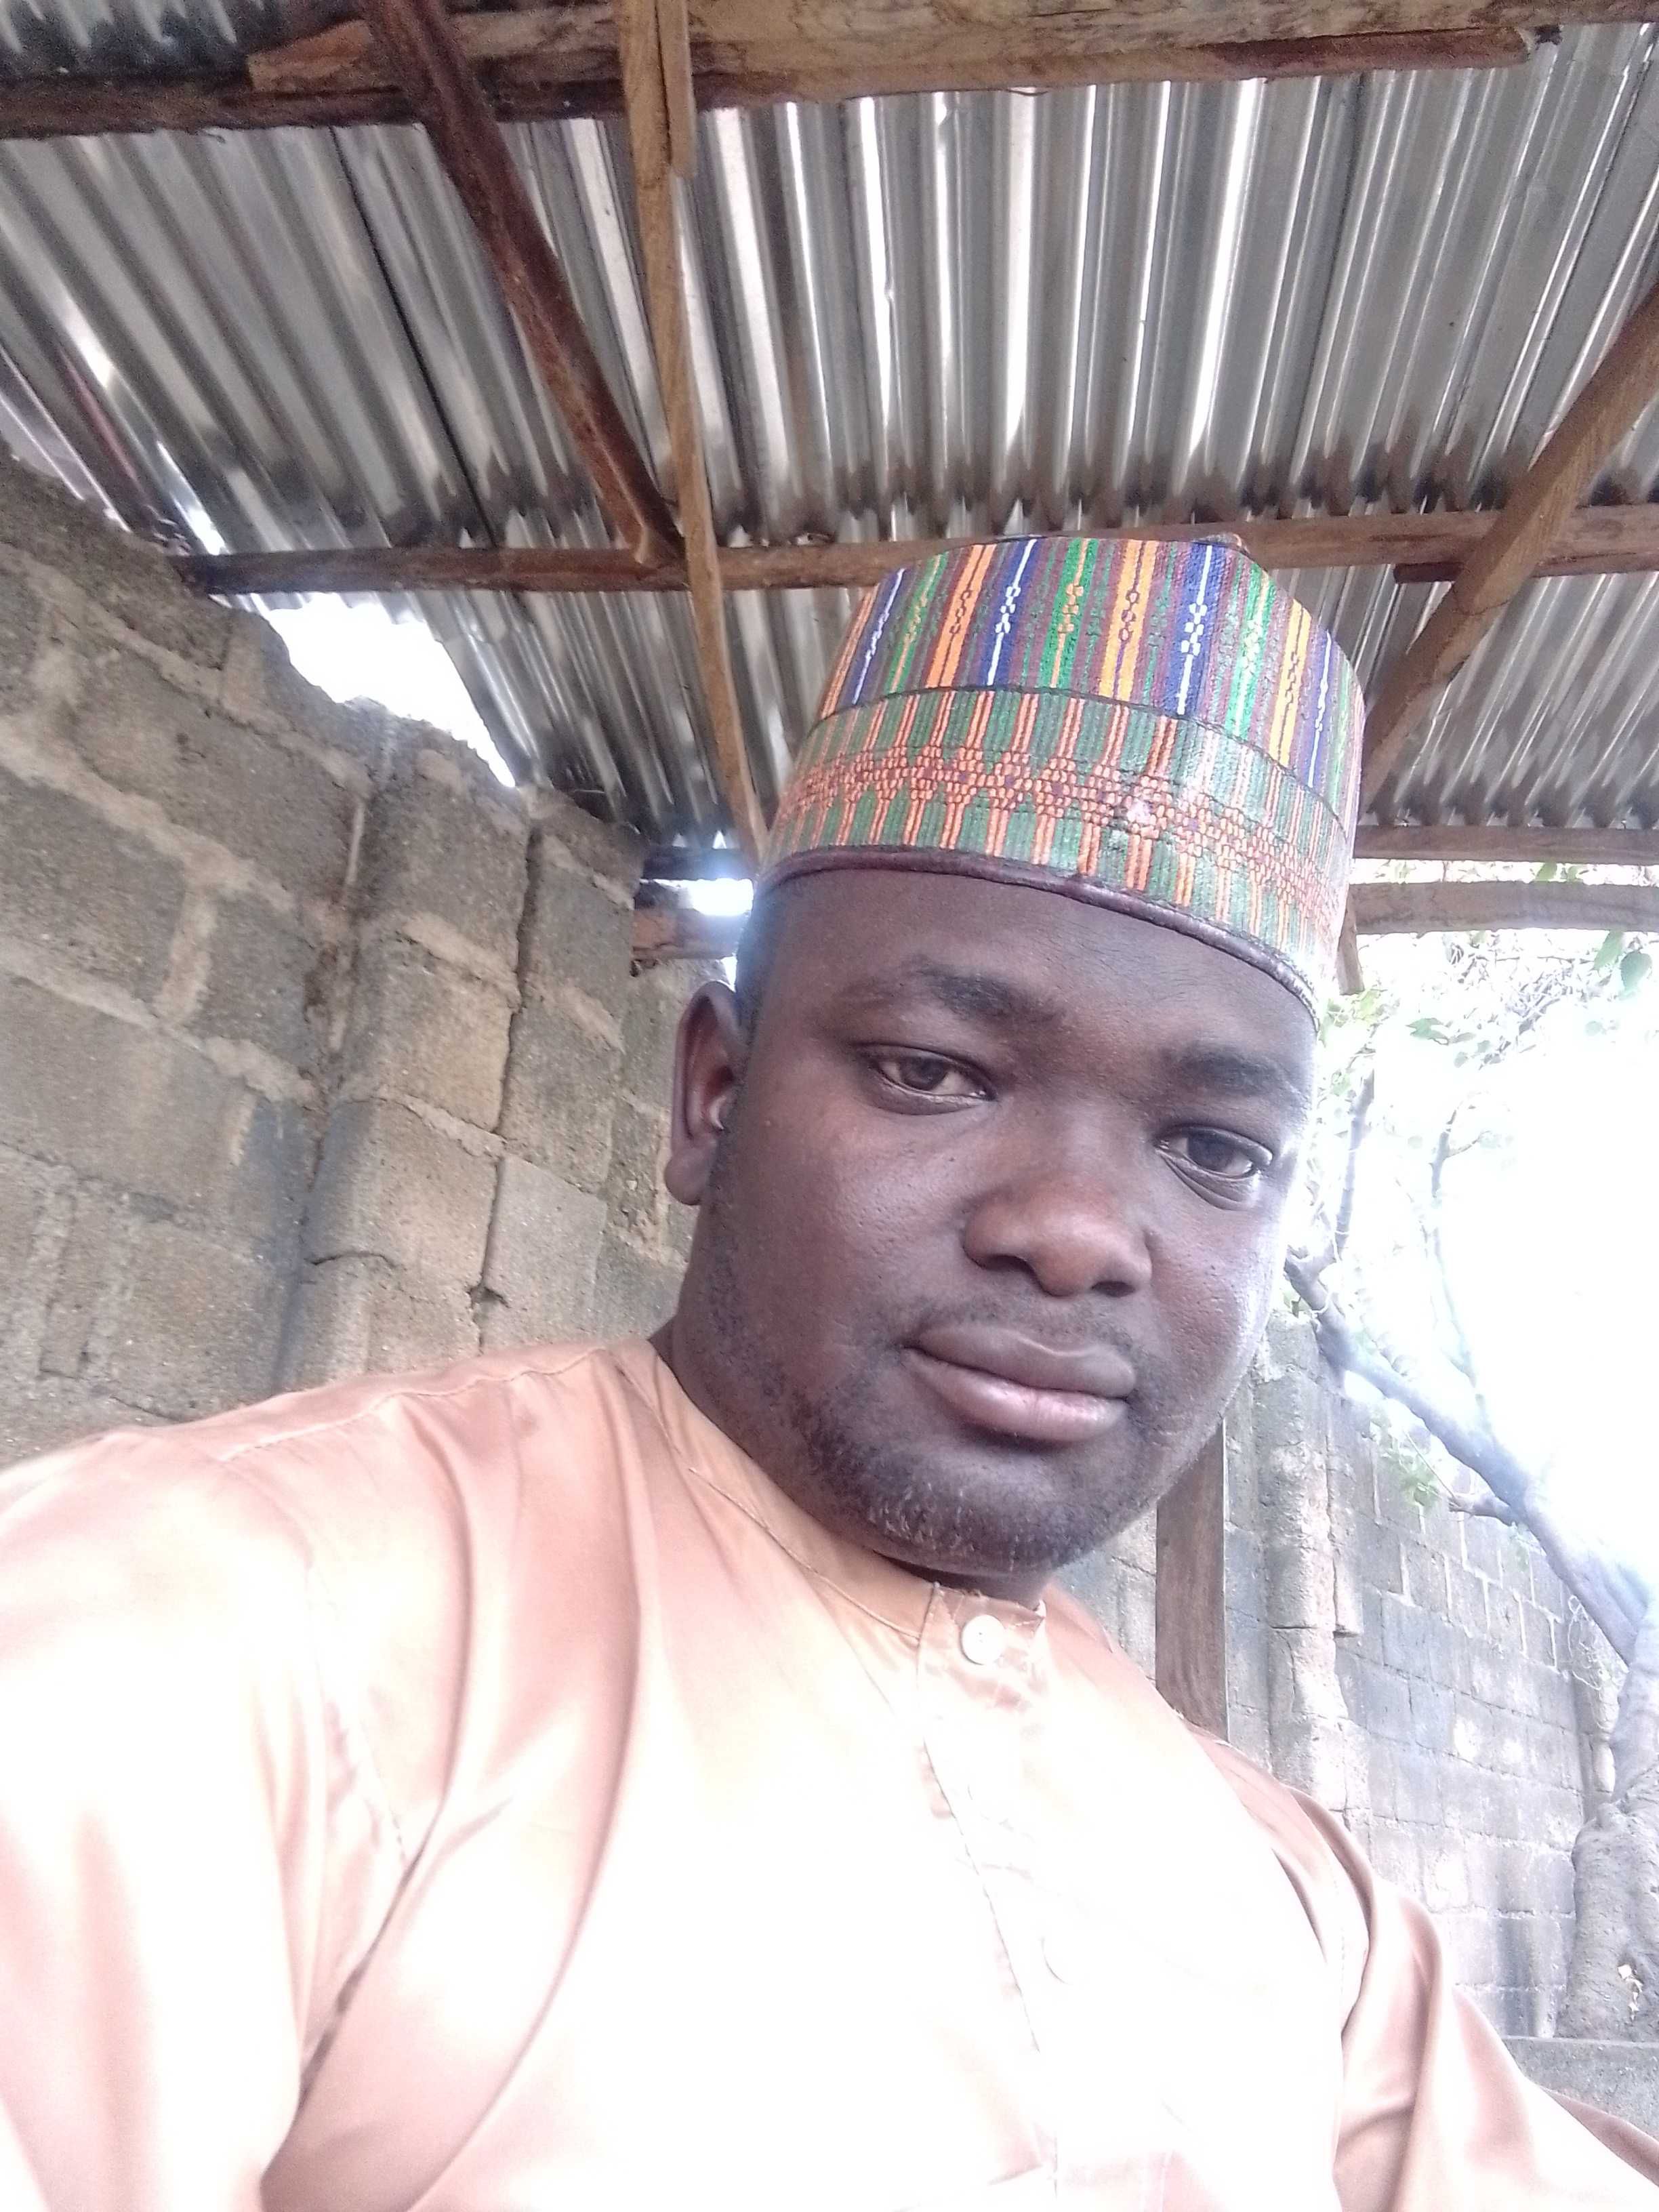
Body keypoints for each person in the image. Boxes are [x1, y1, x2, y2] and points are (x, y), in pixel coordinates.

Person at [0, 536, 1652, 2210]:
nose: (1079, 1234)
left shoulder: (1300, 1913)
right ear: (710, 1095)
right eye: (934, 1070)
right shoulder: (200, 1642)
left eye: (1216, 1150)